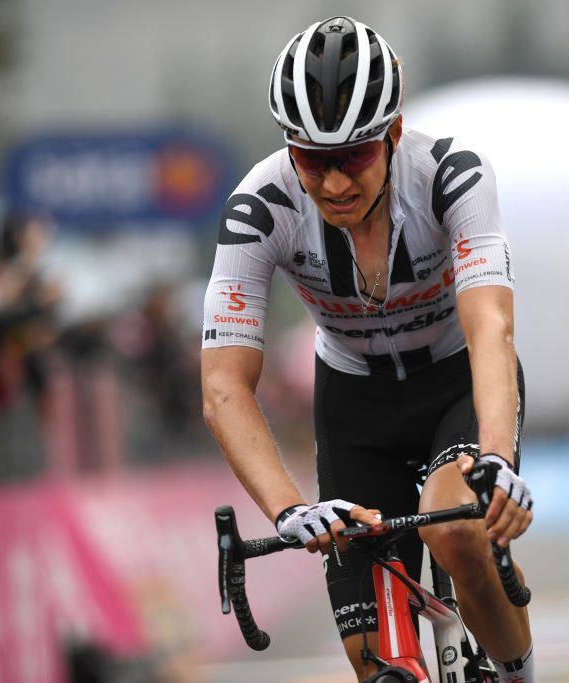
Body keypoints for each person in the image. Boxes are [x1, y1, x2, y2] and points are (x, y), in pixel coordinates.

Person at [200, 16, 537, 682]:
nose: (332, 184)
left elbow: (489, 326)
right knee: (372, 662)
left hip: (454, 381)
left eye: (352, 157)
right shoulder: (259, 207)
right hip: (355, 402)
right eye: (311, 160)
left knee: (459, 532)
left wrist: (495, 454)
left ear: (394, 135)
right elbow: (223, 386)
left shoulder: (452, 176)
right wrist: (289, 507)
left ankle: (520, 672)